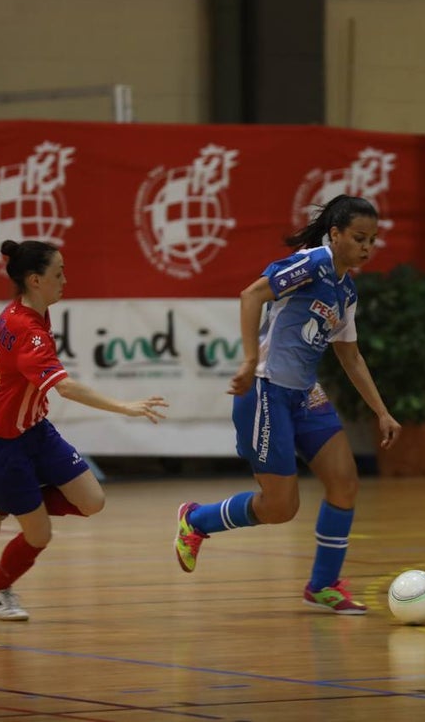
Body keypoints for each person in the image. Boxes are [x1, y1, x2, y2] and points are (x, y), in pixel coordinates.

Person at [173, 194, 402, 614]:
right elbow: (251, 295)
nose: (367, 247)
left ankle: (323, 585)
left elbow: (350, 355)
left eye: (373, 239)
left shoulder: (346, 289)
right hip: (265, 389)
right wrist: (247, 360)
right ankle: (196, 520)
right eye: (358, 238)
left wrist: (381, 411)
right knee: (280, 508)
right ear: (334, 235)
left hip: (304, 394)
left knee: (345, 483)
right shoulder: (312, 262)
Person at [0, 239, 169, 621]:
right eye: (57, 273)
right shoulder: (27, 329)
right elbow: (64, 387)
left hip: (35, 431)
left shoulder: (25, 312)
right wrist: (124, 407)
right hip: (3, 444)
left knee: (92, 500)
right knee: (39, 535)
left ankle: (2, 502)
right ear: (34, 280)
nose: (66, 279)